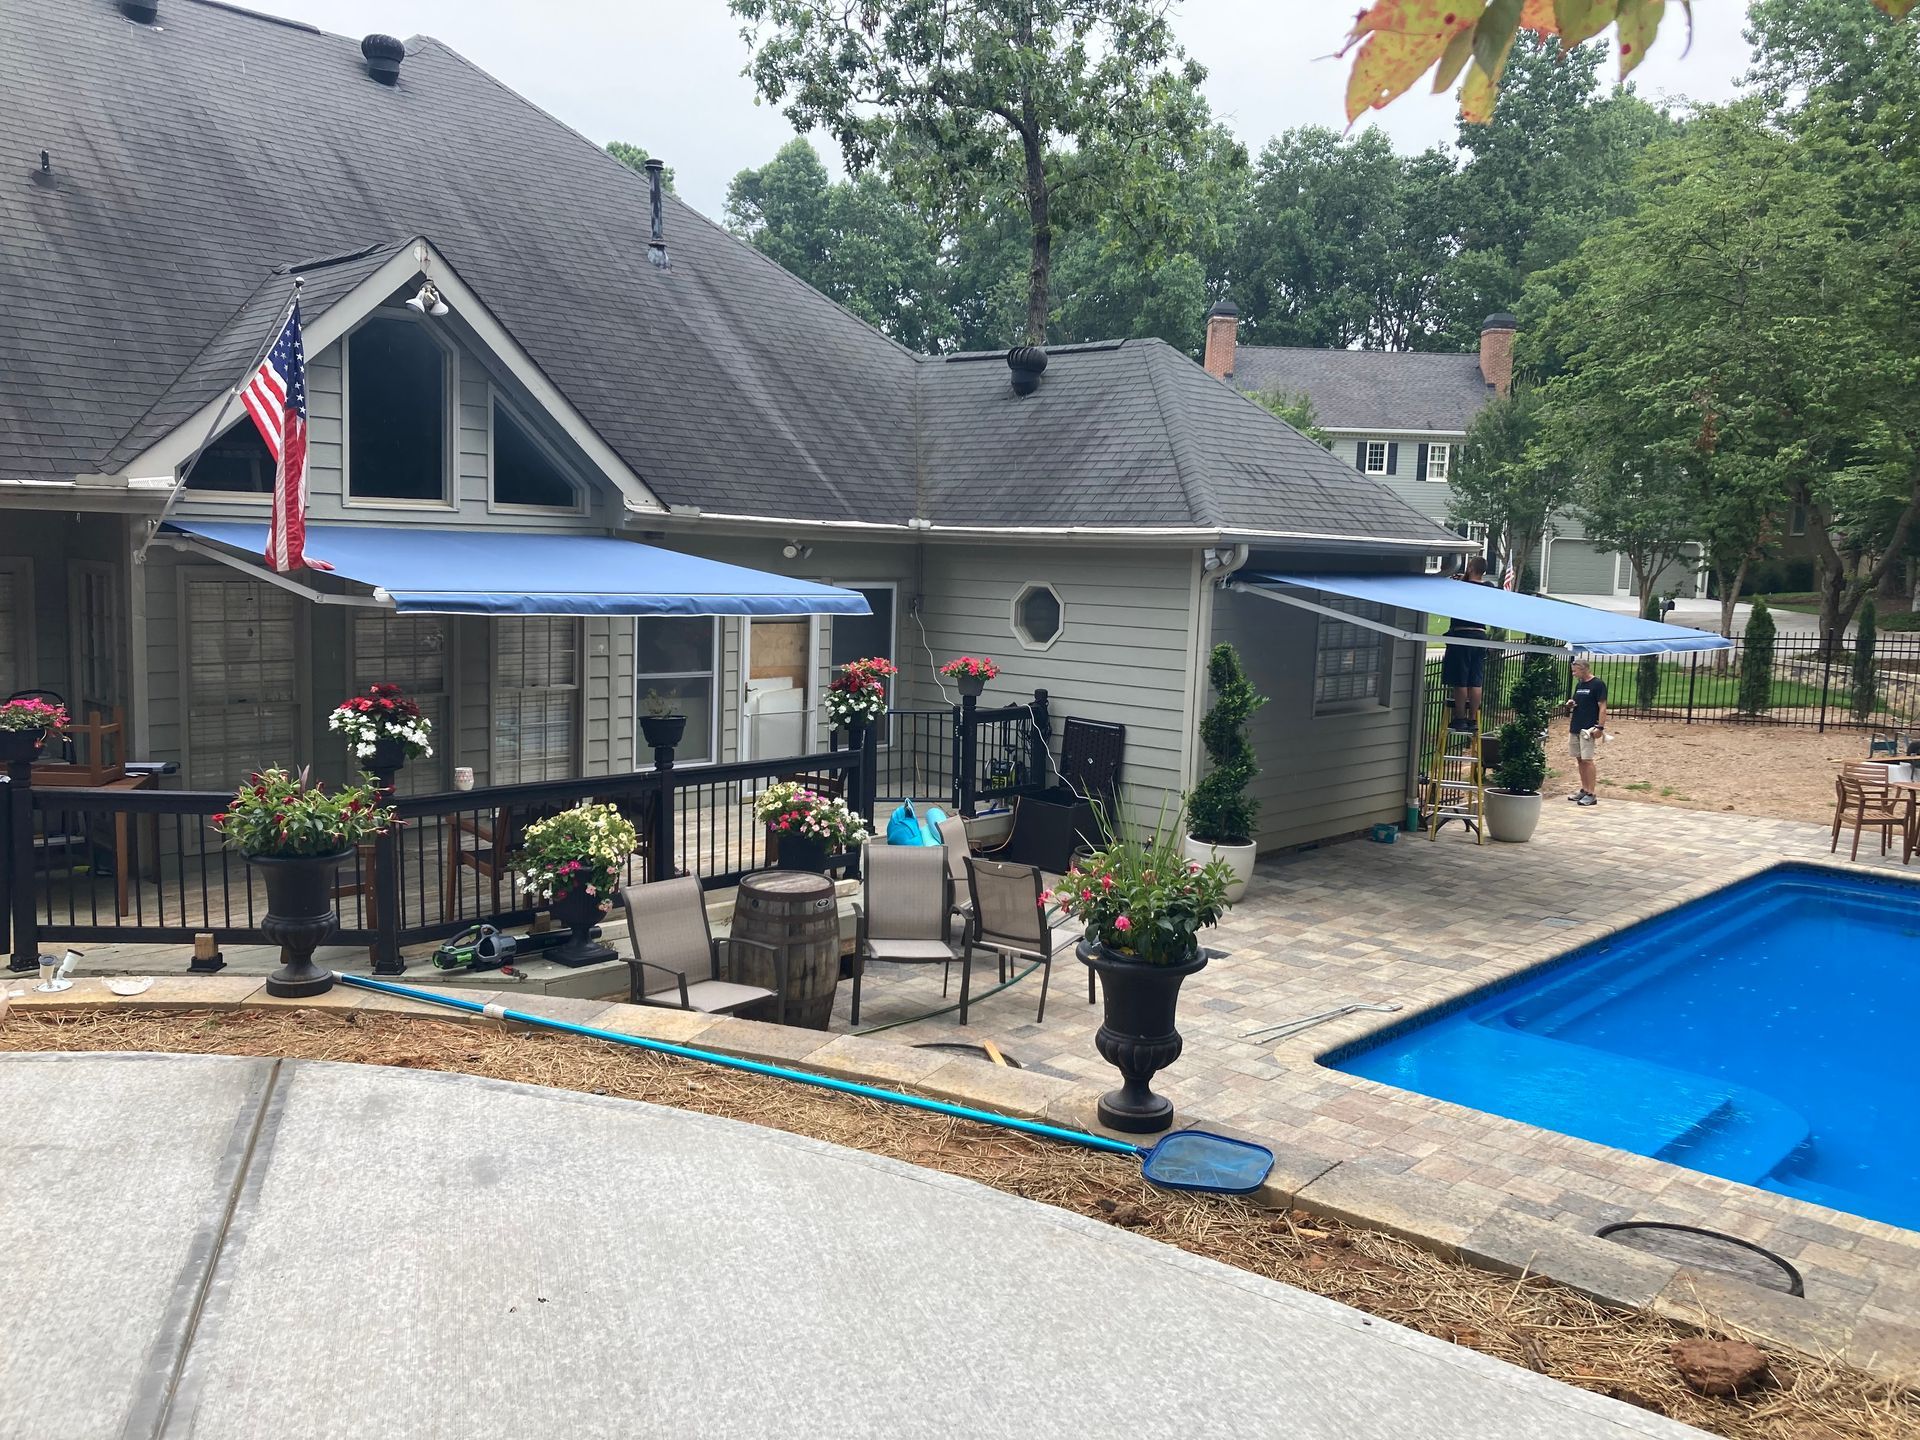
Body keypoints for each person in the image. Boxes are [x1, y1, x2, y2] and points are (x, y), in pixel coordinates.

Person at [1439, 557, 1496, 732]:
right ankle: (1473, 720)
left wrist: (1459, 579)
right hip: (1480, 636)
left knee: (1460, 680)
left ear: (1470, 567)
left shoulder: (1460, 586)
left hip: (1462, 635)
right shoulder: (1489, 588)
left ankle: (1460, 719)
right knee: (1476, 680)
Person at [1564, 656, 1609, 807]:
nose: (1573, 674)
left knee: (1587, 760)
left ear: (1583, 669)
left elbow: (1602, 707)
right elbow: (1579, 702)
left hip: (1588, 728)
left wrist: (1600, 728)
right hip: (1576, 725)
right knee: (1579, 758)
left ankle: (1591, 793)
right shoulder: (1580, 685)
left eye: (1575, 671)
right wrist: (1571, 704)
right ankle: (1584, 789)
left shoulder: (1597, 684)